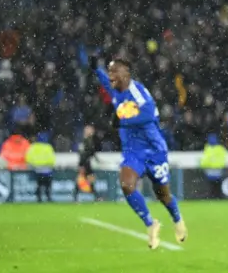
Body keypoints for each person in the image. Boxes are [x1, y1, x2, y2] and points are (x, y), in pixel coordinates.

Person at [90, 57, 187, 249]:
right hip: (133, 151)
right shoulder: (116, 91)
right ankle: (151, 224)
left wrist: (120, 118)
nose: (110, 76)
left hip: (153, 149)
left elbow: (148, 115)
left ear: (126, 73)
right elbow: (104, 82)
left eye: (114, 71)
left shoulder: (139, 93)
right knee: (126, 186)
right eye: (109, 72)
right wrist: (96, 69)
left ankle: (177, 218)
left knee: (162, 194)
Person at [25, 132, 56, 203]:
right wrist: (49, 165)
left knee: (39, 184)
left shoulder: (33, 146)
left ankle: (39, 198)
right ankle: (48, 198)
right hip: (47, 170)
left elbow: (28, 157)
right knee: (48, 185)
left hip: (37, 169)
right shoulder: (48, 147)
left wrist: (34, 164)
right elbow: (52, 159)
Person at [75, 125, 100, 201]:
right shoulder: (84, 140)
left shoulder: (90, 140)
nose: (92, 131)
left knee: (89, 180)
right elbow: (82, 154)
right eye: (90, 130)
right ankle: (75, 197)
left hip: (87, 163)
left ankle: (95, 196)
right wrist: (81, 165)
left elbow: (91, 152)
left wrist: (96, 159)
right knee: (82, 180)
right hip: (84, 164)